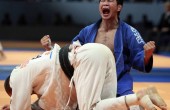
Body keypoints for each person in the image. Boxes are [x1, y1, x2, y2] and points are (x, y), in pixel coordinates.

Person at [41, 0, 155, 104]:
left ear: (119, 7)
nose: (105, 3)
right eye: (102, 0)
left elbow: (140, 57)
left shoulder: (129, 32)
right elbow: (71, 54)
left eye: (110, 0)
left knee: (134, 106)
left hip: (119, 86)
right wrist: (51, 49)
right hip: (90, 84)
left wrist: (147, 55)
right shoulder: (87, 31)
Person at [1, 42, 167, 110]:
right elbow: (46, 106)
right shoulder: (41, 76)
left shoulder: (18, 75)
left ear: (13, 87)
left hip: (84, 60)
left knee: (91, 108)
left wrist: (15, 105)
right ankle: (141, 103)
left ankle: (139, 96)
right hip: (99, 53)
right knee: (106, 108)